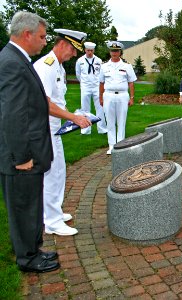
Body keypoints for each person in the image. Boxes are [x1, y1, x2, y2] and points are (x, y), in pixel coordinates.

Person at [0, 11, 59, 273]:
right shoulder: (11, 63)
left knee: (31, 205)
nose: (44, 42)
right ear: (27, 35)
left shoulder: (17, 59)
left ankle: (34, 250)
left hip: (29, 153)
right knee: (23, 207)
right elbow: (12, 115)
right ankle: (27, 258)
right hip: (22, 157)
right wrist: (22, 157)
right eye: (42, 37)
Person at [34, 28, 91, 236]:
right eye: (73, 50)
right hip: (45, 125)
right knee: (52, 172)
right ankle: (52, 222)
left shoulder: (58, 67)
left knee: (58, 171)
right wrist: (73, 117)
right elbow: (44, 103)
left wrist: (71, 114)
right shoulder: (46, 67)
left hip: (54, 125)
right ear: (63, 44)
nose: (74, 55)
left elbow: (58, 101)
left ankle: (53, 212)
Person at [99, 41, 137, 154]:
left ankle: (120, 145)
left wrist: (132, 97)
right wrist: (100, 97)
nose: (114, 53)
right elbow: (101, 83)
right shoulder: (104, 66)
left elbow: (131, 83)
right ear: (109, 52)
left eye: (116, 51)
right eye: (112, 50)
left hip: (122, 95)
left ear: (120, 52)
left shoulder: (127, 66)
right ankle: (111, 145)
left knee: (121, 121)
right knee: (109, 121)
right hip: (109, 95)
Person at [75, 41, 107, 135]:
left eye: (91, 51)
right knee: (85, 108)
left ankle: (102, 129)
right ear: (85, 50)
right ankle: (85, 130)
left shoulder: (98, 60)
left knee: (100, 108)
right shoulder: (80, 61)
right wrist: (84, 83)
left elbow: (101, 74)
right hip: (85, 86)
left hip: (96, 86)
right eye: (88, 50)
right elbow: (78, 74)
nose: (90, 52)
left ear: (94, 50)